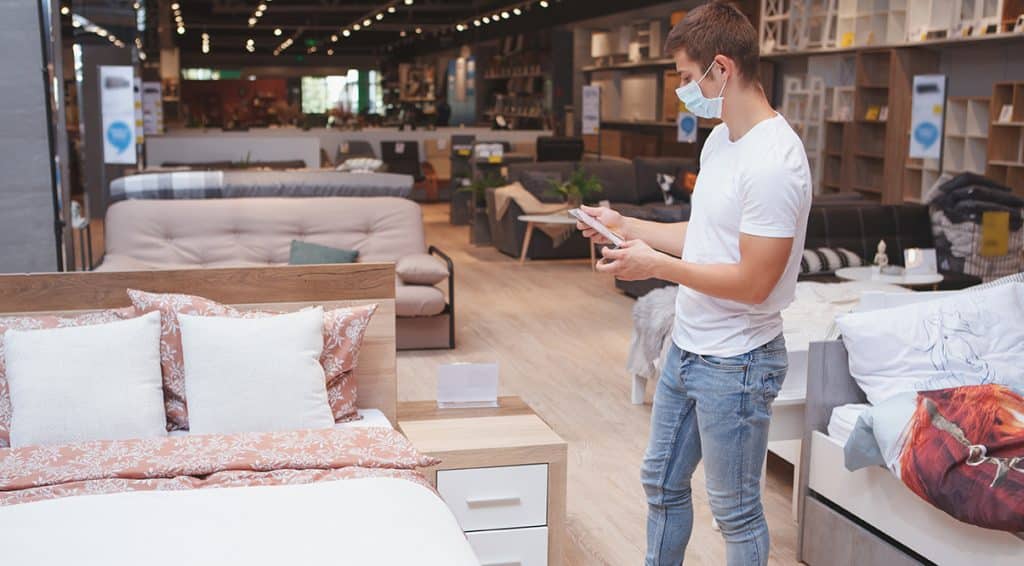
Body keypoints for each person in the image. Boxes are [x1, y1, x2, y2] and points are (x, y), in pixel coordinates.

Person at [575, 3, 812, 565]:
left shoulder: (776, 161)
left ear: (722, 69)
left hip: (738, 362)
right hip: (688, 344)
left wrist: (654, 266)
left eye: (686, 77)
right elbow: (706, 234)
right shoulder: (720, 142)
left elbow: (755, 283)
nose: (683, 90)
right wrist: (627, 224)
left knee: (736, 514)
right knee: (660, 482)